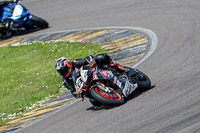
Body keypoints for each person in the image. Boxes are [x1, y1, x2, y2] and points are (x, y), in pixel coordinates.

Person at [55, 53, 130, 98]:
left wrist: (91, 62)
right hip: (87, 86)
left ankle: (121, 68)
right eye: (61, 72)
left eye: (64, 70)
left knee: (100, 57)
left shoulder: (75, 63)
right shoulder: (65, 81)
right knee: (94, 102)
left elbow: (88, 58)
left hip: (94, 72)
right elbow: (74, 92)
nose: (63, 72)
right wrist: (78, 94)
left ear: (68, 64)